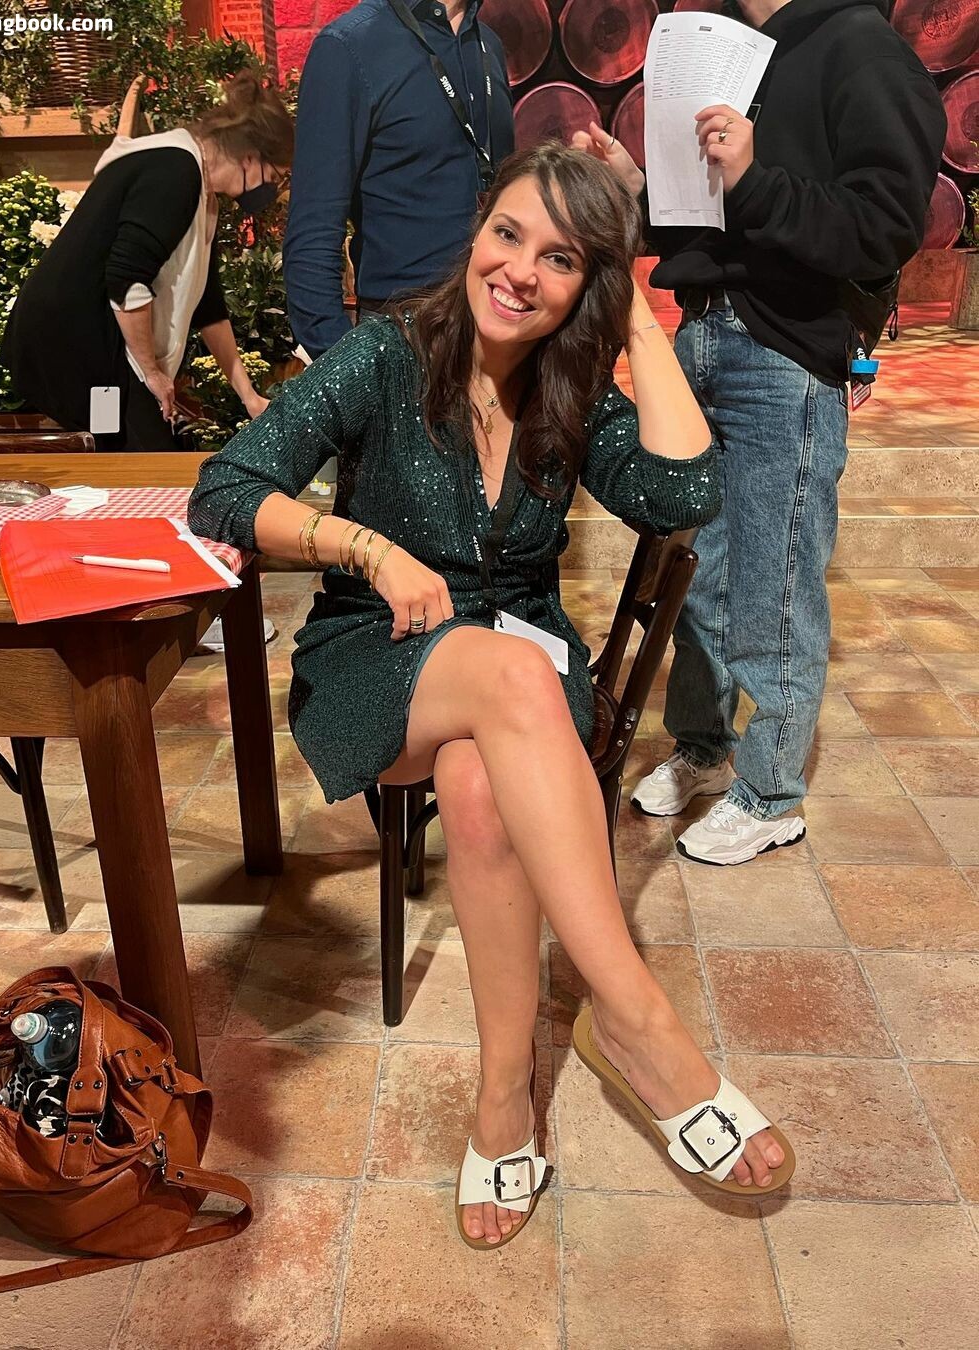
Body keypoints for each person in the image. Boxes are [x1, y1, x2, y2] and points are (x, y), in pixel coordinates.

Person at [190, 144, 794, 1251]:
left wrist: (636, 319)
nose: (519, 271)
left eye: (560, 259)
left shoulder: (571, 387)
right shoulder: (386, 354)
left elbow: (685, 491)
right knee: (510, 684)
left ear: (586, 284)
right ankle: (637, 1019)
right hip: (379, 652)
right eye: (507, 234)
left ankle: (504, 1098)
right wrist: (366, 547)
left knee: (478, 788)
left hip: (513, 675)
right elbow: (225, 489)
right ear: (476, 232)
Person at [574, 0, 946, 864]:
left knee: (775, 579)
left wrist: (754, 178)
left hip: (784, 348)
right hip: (699, 332)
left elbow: (887, 226)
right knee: (693, 568)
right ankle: (704, 747)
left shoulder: (861, 46)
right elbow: (710, 222)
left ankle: (773, 791)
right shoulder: (735, 47)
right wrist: (637, 186)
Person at [2, 68, 293, 451]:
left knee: (128, 451)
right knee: (134, 456)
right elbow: (126, 279)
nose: (272, 189)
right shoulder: (175, 171)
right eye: (275, 177)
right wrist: (152, 373)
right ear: (251, 157)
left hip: (101, 346)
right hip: (81, 347)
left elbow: (208, 304)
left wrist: (249, 396)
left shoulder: (202, 193)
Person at [282, 0, 514, 360]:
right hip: (403, 337)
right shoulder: (349, 46)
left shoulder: (489, 45)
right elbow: (313, 232)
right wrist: (345, 369)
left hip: (494, 329)